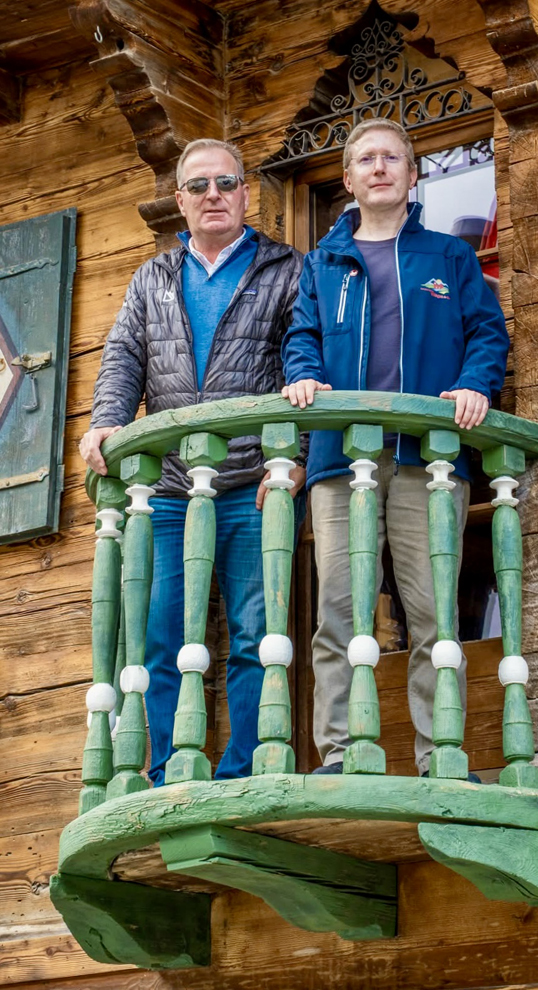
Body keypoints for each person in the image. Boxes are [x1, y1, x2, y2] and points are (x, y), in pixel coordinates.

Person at [282, 119, 509, 776]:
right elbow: (301, 337)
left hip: (427, 458)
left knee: (433, 611)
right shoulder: (321, 264)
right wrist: (303, 374)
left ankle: (442, 755)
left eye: (391, 158)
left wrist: (474, 384)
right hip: (338, 460)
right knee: (338, 611)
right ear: (348, 179)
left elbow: (486, 334)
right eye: (365, 160)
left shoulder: (450, 257)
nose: (378, 168)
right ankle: (342, 753)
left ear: (412, 175)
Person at [80, 138, 304, 785]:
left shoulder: (286, 269)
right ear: (179, 200)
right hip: (171, 490)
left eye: (226, 183)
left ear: (245, 194)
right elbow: (123, 357)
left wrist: (294, 459)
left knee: (256, 632)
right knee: (158, 635)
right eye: (199, 185)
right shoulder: (152, 278)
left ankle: (242, 772)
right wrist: (106, 419)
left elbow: (305, 366)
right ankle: (167, 773)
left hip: (254, 483)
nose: (214, 195)